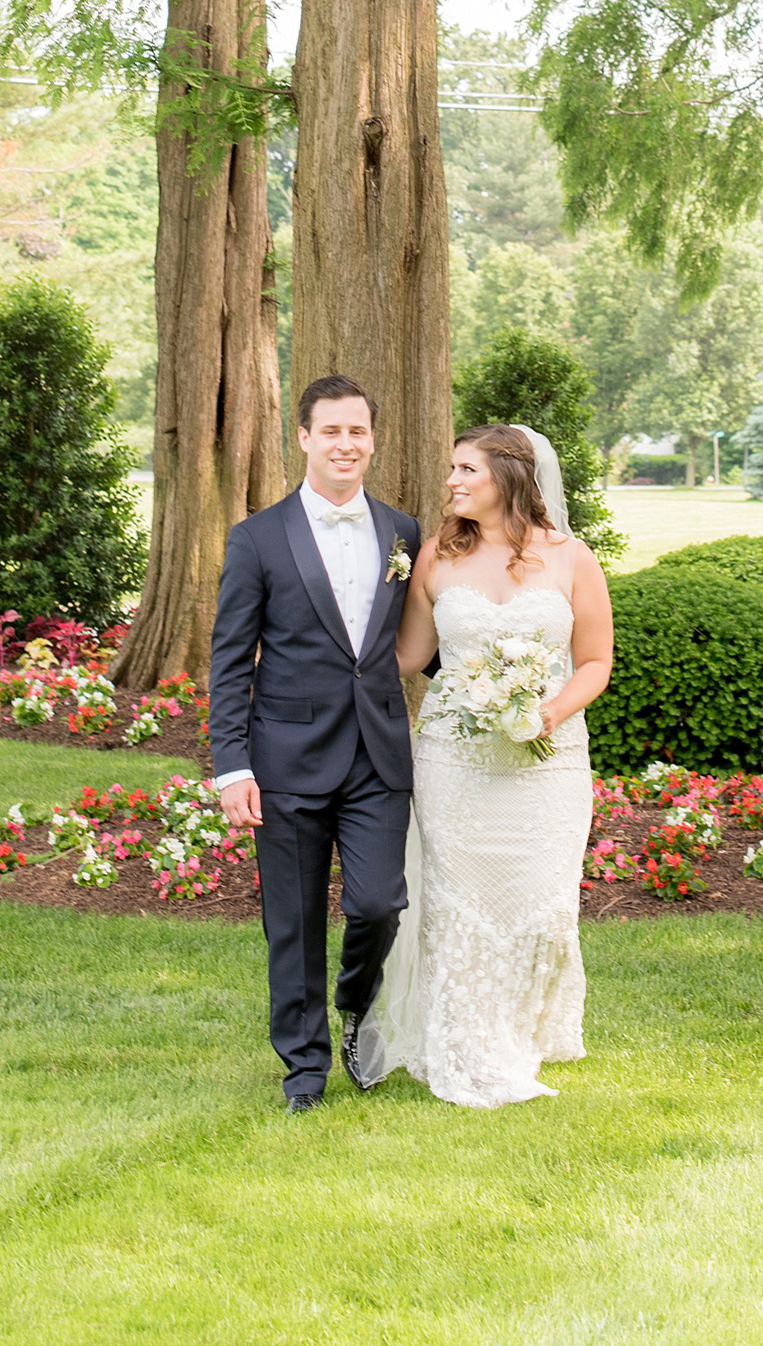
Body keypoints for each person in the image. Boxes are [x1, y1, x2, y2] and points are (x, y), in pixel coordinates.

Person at [357, 422, 613, 1109]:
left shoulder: (570, 558)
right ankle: (465, 1040)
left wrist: (551, 712)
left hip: (548, 762)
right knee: (456, 904)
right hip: (454, 760)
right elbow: (408, 657)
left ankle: (518, 1032)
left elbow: (595, 663)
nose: (452, 482)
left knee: (543, 904)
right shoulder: (437, 557)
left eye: (466, 469)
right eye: (452, 469)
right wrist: (316, 664)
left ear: (511, 477)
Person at [208, 376, 423, 1113]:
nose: (345, 444)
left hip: (378, 756)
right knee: (293, 925)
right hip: (286, 759)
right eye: (330, 431)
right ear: (302, 438)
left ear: (372, 439)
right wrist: (232, 765)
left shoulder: (404, 533)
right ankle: (304, 1068)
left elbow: (419, 638)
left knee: (377, 905)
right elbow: (230, 660)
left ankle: (357, 1006)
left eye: (357, 431)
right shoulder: (258, 537)